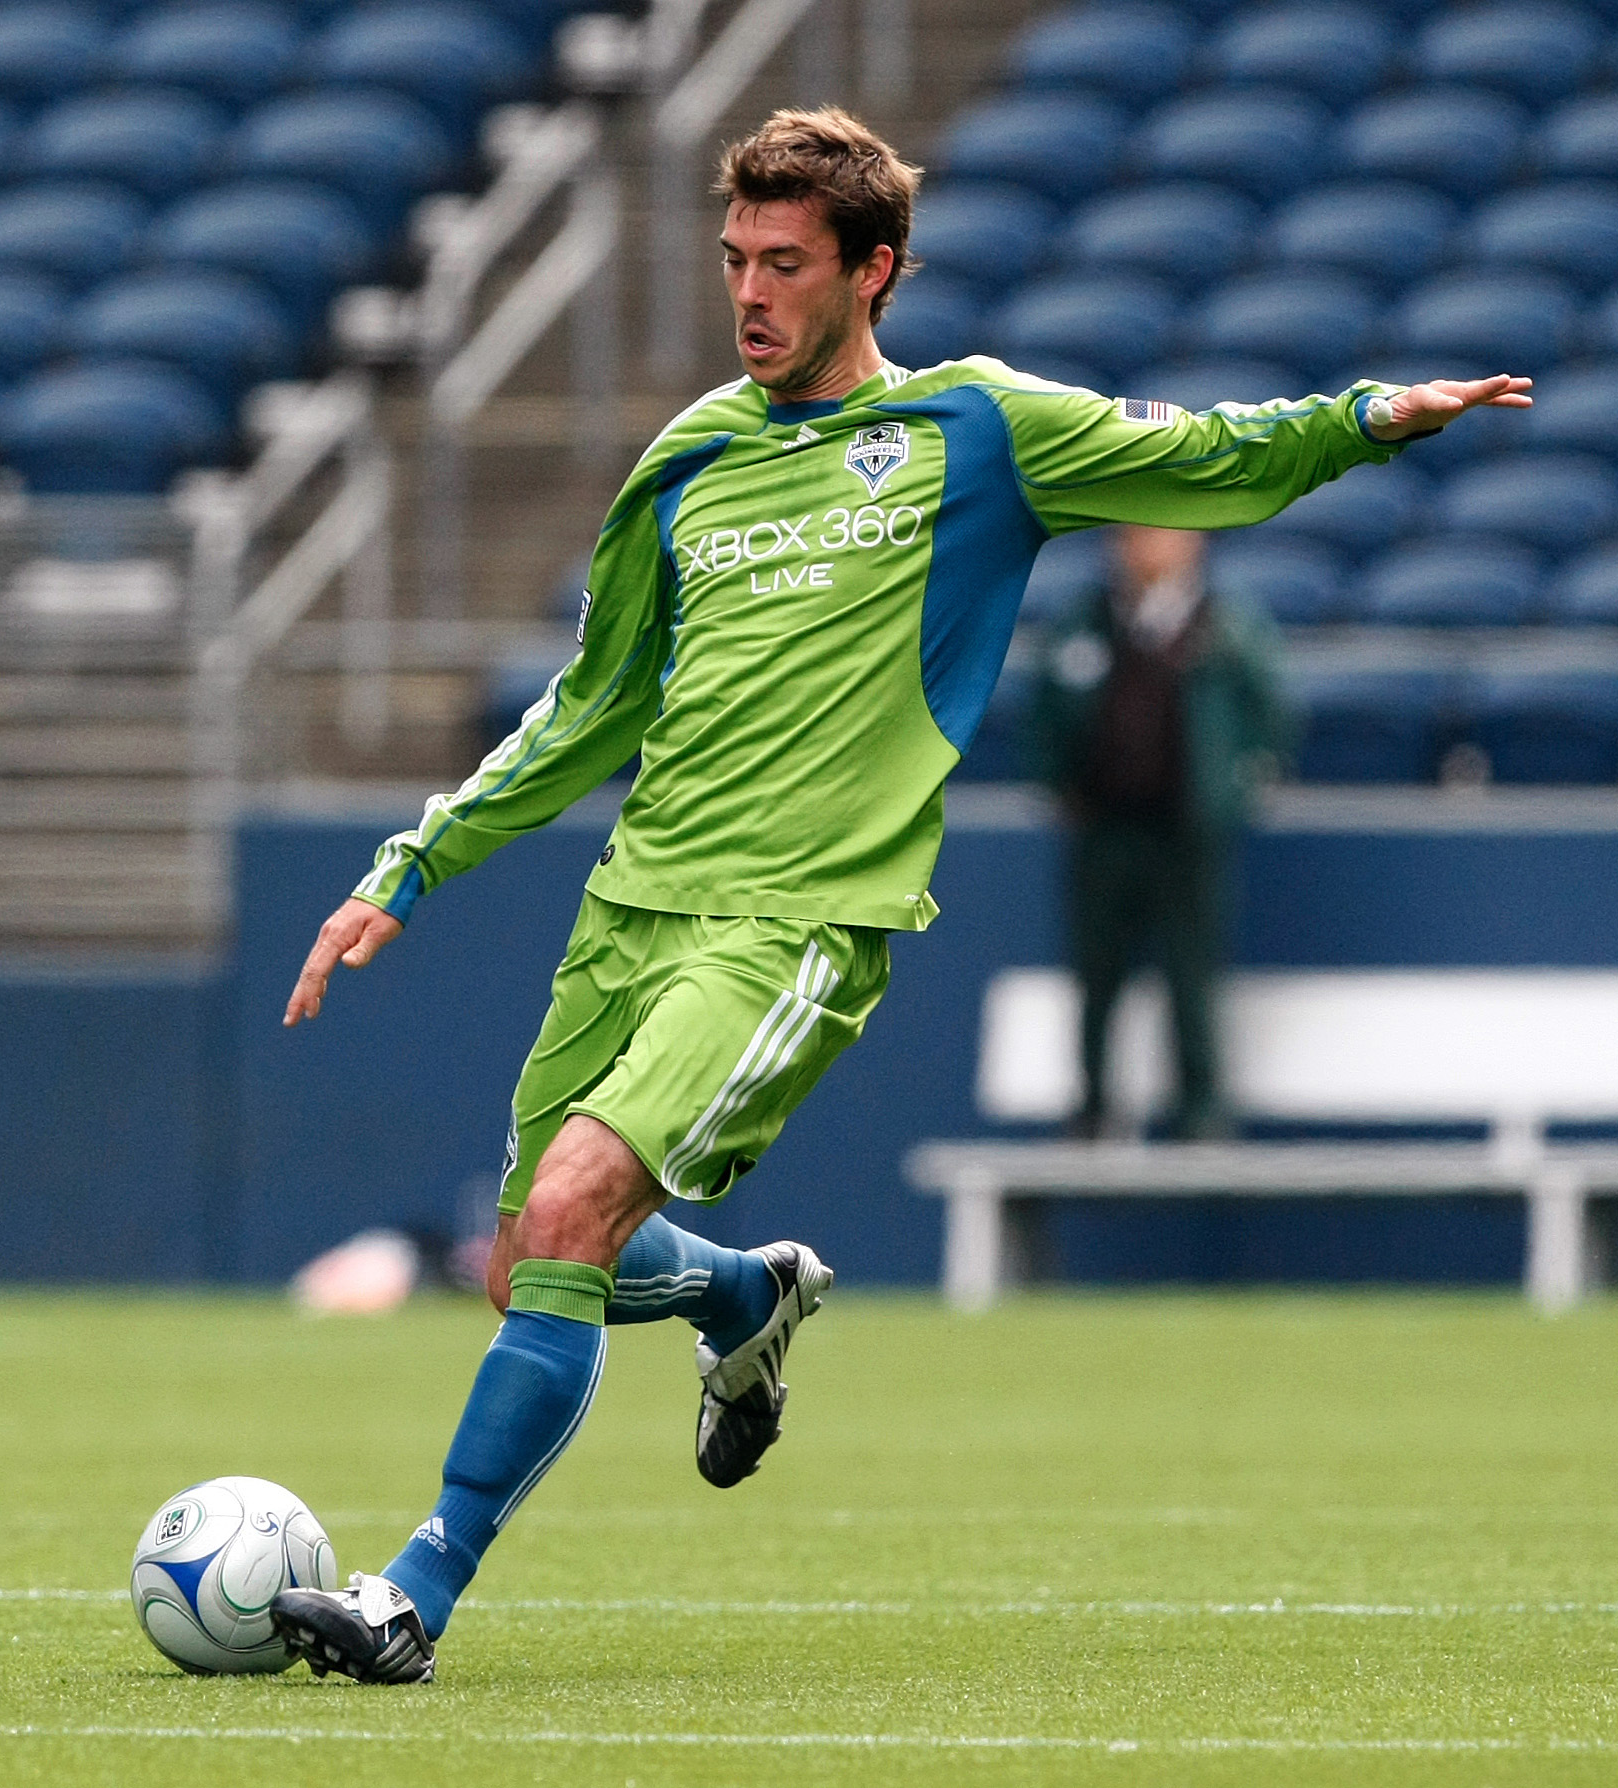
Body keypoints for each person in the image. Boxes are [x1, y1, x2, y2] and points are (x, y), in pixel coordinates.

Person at [266, 105, 1530, 1683]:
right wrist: (415, 863)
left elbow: (1205, 457)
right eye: (735, 258)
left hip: (799, 919)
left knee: (580, 1203)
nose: (750, 293)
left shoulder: (977, 428)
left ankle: (412, 1595)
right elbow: (589, 708)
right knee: (533, 1258)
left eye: (786, 264)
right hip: (637, 905)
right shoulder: (689, 457)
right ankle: (742, 1296)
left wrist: (1367, 418)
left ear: (874, 272)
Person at [1037, 524, 1288, 1140]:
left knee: (1191, 974)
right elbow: (1045, 711)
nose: (1147, 547)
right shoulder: (1086, 622)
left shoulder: (1227, 623)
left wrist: (1236, 785)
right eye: (1133, 534)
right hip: (1105, 829)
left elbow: (1270, 712)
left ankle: (1200, 1110)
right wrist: (1059, 783)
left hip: (1188, 829)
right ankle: (1093, 1107)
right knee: (1097, 975)